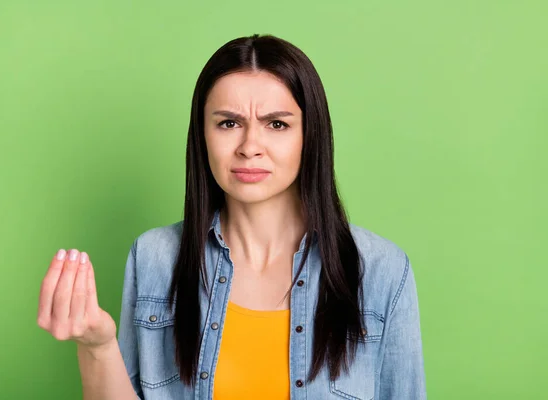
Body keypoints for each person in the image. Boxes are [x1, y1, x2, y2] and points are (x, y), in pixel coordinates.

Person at [37, 33, 427, 400]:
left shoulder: (381, 271)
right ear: (202, 134)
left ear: (310, 135)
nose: (250, 147)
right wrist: (97, 345)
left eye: (277, 124)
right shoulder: (154, 256)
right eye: (229, 123)